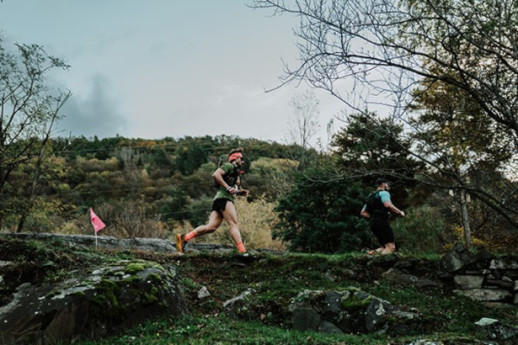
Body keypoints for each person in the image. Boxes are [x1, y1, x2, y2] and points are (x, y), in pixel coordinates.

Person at [176, 148, 249, 254]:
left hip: (219, 199)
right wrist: (228, 188)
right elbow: (216, 175)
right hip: (225, 199)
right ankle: (242, 251)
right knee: (233, 224)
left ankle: (184, 238)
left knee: (211, 227)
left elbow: (227, 187)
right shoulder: (229, 165)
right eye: (241, 158)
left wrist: (239, 192)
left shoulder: (235, 172)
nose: (243, 161)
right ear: (235, 158)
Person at [360, 178, 405, 255]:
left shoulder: (370, 196)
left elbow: (363, 212)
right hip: (381, 222)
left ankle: (370, 255)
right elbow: (387, 205)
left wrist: (375, 216)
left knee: (384, 247)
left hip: (373, 223)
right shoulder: (384, 193)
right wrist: (400, 212)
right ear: (383, 184)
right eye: (387, 184)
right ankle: (377, 263)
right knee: (391, 247)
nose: (389, 187)